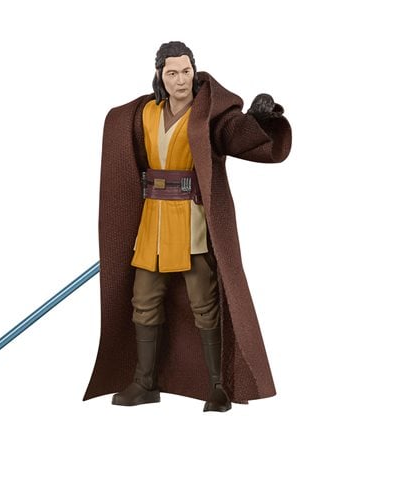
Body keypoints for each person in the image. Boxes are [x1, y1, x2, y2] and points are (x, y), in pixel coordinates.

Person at [83, 41, 292, 412]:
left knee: (204, 304)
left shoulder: (208, 116)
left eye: (186, 71)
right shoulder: (145, 114)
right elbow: (126, 158)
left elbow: (235, 135)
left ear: (194, 72)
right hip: (152, 223)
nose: (180, 80)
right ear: (160, 76)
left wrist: (259, 120)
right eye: (172, 73)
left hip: (191, 224)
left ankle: (218, 386)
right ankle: (145, 382)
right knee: (143, 302)